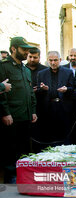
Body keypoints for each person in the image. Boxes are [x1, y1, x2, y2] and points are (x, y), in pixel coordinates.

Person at [0, 37, 37, 183]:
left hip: (25, 114)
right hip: (12, 115)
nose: (27, 52)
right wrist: (5, 113)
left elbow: (30, 91)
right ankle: (11, 177)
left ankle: (24, 175)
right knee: (10, 148)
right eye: (24, 49)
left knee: (24, 147)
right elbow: (2, 94)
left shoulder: (25, 69)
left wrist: (33, 110)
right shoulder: (3, 67)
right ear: (14, 49)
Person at [35, 51, 75, 147]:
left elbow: (73, 88)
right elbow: (38, 92)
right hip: (48, 108)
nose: (53, 63)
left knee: (64, 135)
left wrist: (66, 90)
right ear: (47, 60)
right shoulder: (41, 74)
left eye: (55, 60)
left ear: (60, 60)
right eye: (51, 60)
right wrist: (42, 89)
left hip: (63, 108)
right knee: (49, 135)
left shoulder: (68, 72)